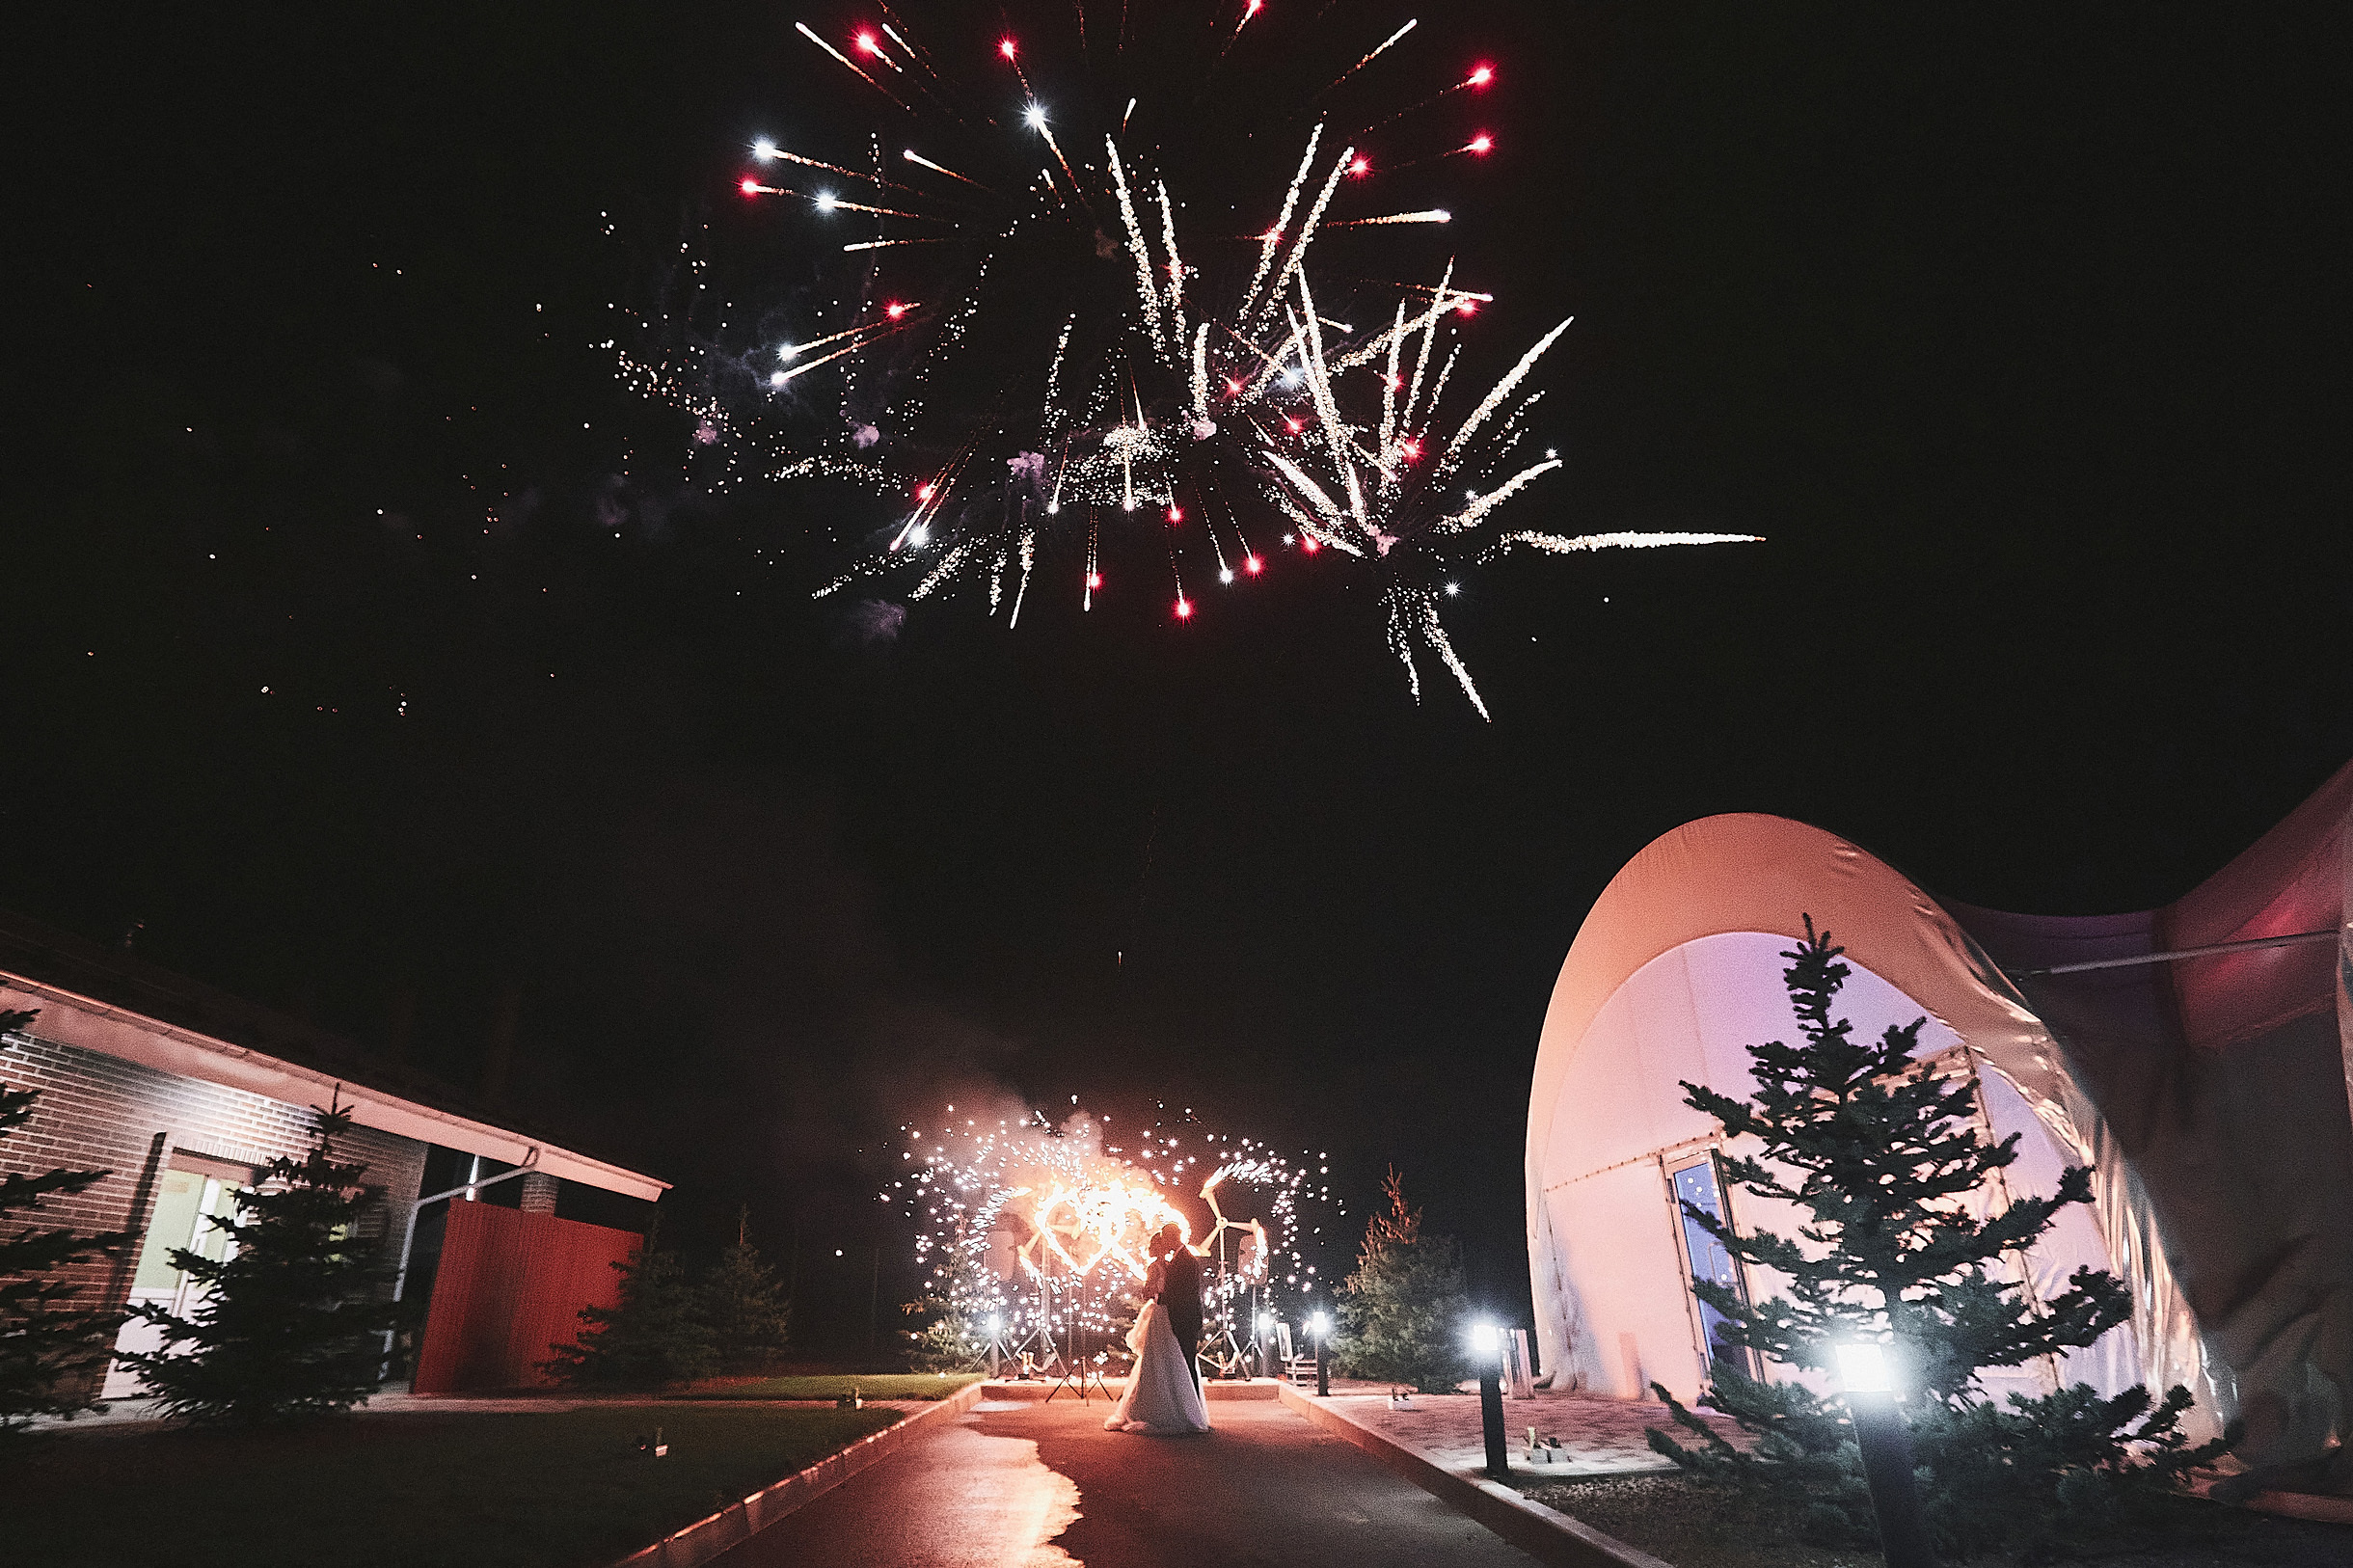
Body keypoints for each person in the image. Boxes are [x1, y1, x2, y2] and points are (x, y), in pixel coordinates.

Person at [1103, 1227, 1209, 1435]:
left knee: (1182, 1365)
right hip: (1167, 1317)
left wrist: (1162, 1299)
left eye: (1165, 1240)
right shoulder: (1169, 1263)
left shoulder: (1183, 1261)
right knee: (1172, 1364)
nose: (1164, 1245)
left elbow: (1184, 1295)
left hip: (1179, 1320)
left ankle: (1192, 1413)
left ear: (1172, 1238)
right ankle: (1189, 1413)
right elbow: (1152, 1291)